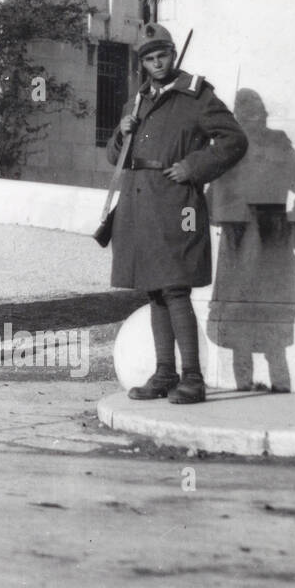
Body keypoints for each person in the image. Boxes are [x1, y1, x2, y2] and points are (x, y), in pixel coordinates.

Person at [107, 23, 248, 404]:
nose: (157, 63)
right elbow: (113, 157)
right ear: (142, 63)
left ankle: (193, 378)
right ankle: (164, 374)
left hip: (176, 202)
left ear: (173, 53)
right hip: (137, 203)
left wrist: (194, 167)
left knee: (174, 287)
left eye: (163, 55)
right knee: (155, 290)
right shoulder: (136, 102)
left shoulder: (196, 95)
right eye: (150, 58)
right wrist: (121, 133)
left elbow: (234, 140)